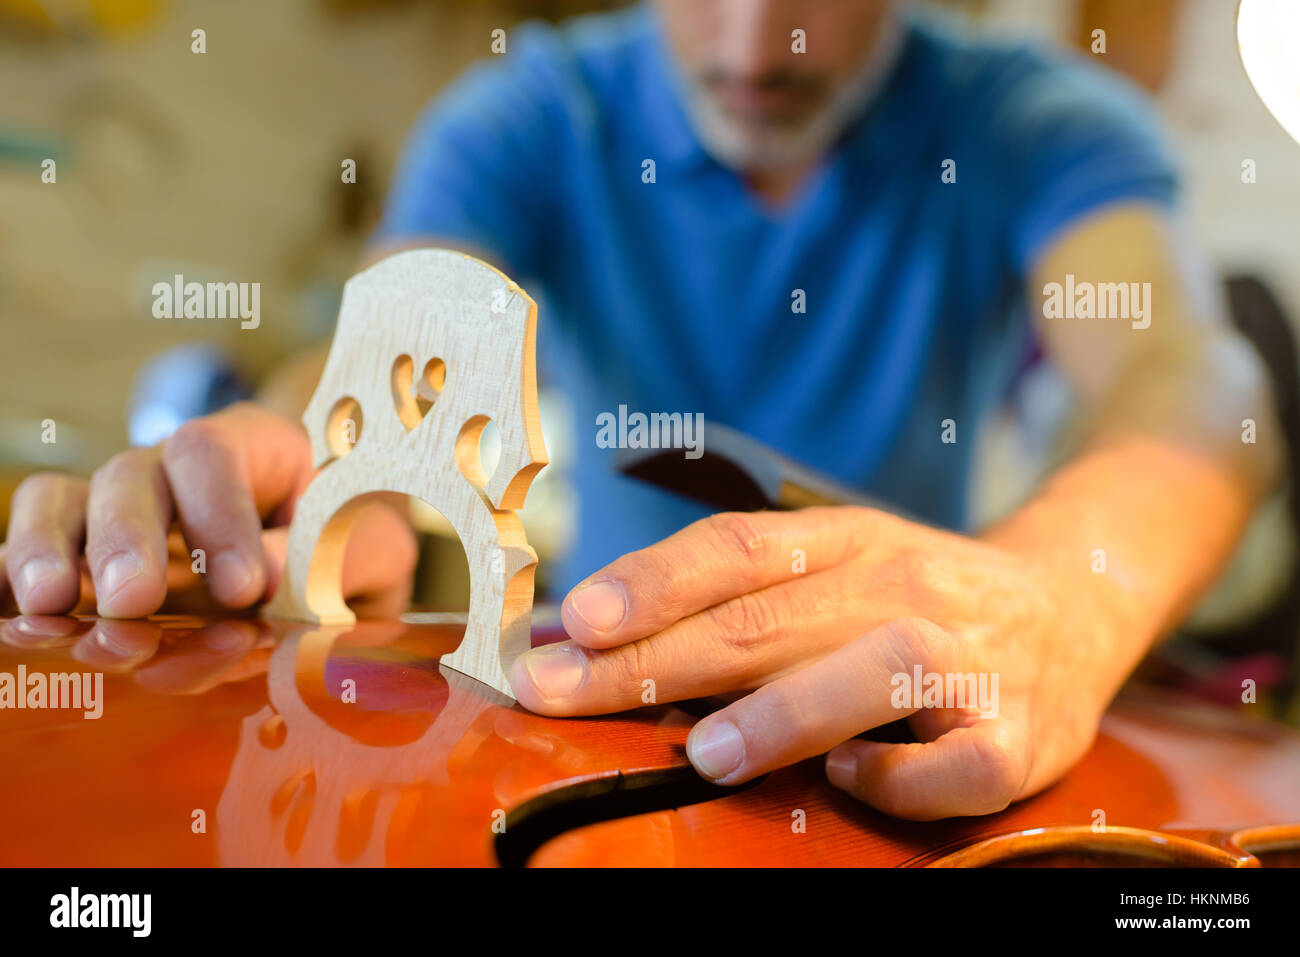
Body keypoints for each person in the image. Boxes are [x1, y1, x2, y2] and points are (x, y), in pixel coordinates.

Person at [0, 0, 1279, 820]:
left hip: (892, 728)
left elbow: (1192, 376)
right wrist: (321, 477)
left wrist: (1062, 590)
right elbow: (390, 340)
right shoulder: (531, 113)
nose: (748, 42)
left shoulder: (1034, 119)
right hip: (578, 711)